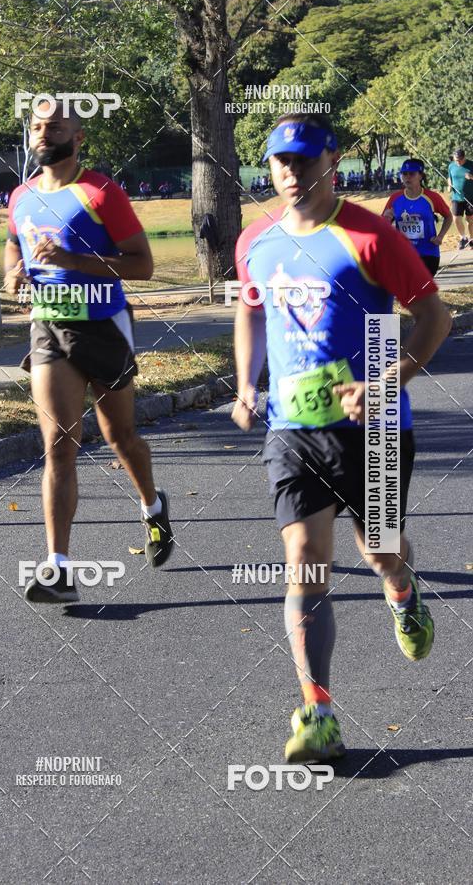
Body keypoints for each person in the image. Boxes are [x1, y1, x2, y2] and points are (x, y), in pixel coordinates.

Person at [232, 112, 452, 762]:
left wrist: (387, 381)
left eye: (304, 160)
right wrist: (245, 385)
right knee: (305, 559)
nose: (291, 172)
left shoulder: (370, 235)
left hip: (374, 426)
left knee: (379, 550)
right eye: (281, 161)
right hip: (293, 427)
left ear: (332, 162)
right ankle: (318, 712)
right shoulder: (255, 239)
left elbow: (434, 317)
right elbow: (250, 311)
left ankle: (402, 591)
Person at [3, 100, 174, 603]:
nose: (43, 134)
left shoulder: (100, 193)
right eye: (37, 127)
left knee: (120, 436)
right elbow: (14, 244)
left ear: (77, 138)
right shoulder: (21, 195)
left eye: (54, 127)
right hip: (48, 326)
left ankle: (152, 505)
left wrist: (74, 260)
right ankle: (58, 568)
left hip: (103, 326)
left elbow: (142, 265)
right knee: (59, 443)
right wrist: (13, 272)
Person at [382, 159, 452, 277]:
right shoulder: (395, 198)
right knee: (406, 287)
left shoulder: (432, 197)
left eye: (412, 174)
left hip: (428, 252)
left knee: (423, 287)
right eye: (404, 174)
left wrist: (440, 236)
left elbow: (448, 216)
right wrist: (386, 219)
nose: (407, 177)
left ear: (420, 176)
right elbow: (382, 225)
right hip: (403, 253)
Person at [447, 148, 473, 249]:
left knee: (470, 220)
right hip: (456, 197)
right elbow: (449, 178)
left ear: (464, 157)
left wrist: (471, 177)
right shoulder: (451, 166)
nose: (458, 162)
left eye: (460, 160)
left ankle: (472, 239)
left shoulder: (471, 165)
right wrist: (449, 185)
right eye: (456, 160)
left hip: (470, 197)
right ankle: (463, 238)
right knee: (456, 218)